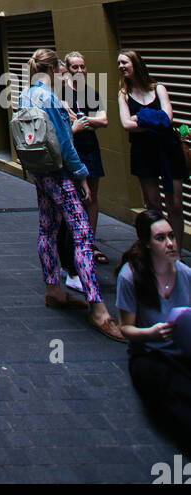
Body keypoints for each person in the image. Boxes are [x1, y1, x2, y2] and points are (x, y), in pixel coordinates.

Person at [20, 48, 123, 340]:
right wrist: (81, 178)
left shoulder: (26, 94)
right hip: (59, 173)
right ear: (52, 70)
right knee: (82, 234)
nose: (65, 73)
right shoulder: (50, 98)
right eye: (63, 69)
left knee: (47, 228)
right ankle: (99, 309)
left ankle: (53, 289)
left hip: (39, 171)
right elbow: (65, 144)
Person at [116, 209, 191, 448]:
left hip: (183, 352)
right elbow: (125, 328)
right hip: (150, 356)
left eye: (172, 236)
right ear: (148, 244)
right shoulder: (131, 277)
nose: (170, 243)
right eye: (161, 238)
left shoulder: (186, 274)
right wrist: (151, 333)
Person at [118, 49, 188, 250]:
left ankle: (176, 252)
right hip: (144, 153)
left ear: (136, 64)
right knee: (153, 204)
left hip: (169, 150)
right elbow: (126, 124)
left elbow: (168, 119)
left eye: (125, 62)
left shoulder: (158, 89)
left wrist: (139, 117)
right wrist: (154, 119)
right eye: (119, 64)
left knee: (175, 203)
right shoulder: (123, 94)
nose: (121, 67)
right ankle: (158, 250)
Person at [63, 51, 109, 264]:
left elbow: (104, 120)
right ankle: (75, 241)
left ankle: (90, 242)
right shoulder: (62, 94)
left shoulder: (91, 92)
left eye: (82, 66)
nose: (80, 71)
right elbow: (68, 123)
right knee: (74, 196)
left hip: (91, 148)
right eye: (75, 67)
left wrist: (85, 120)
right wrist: (86, 122)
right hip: (73, 150)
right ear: (68, 69)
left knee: (92, 197)